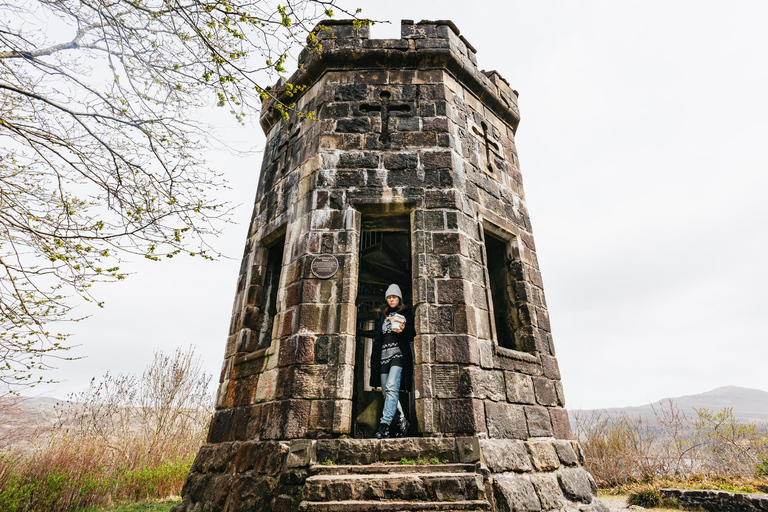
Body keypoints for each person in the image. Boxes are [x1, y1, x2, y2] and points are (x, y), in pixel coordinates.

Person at [369, 283, 416, 439]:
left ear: (399, 298)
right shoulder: (384, 314)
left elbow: (412, 333)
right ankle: (402, 419)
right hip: (383, 355)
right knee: (386, 391)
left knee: (391, 387)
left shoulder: (406, 312)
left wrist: (403, 330)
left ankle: (385, 425)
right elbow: (378, 337)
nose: (391, 300)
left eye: (394, 297)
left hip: (398, 354)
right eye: (389, 297)